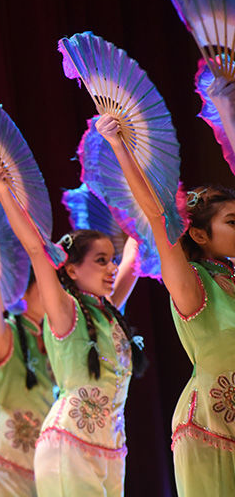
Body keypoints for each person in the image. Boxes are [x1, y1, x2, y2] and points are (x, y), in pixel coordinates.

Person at [0, 161, 145, 496]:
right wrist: (2, 190)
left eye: (111, 260)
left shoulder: (109, 311)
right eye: (101, 261)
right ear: (71, 270)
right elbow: (35, 250)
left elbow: (136, 244)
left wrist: (131, 172)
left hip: (112, 447)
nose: (112, 268)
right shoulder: (66, 312)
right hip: (69, 444)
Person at [97, 110, 235, 496]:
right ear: (199, 234)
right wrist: (120, 147)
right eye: (233, 222)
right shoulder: (193, 283)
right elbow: (158, 218)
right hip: (210, 427)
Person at [0, 230, 55, 497]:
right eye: (44, 281)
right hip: (3, 464)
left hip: (43, 466)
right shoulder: (9, 334)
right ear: (23, 289)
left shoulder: (56, 339)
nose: (53, 289)